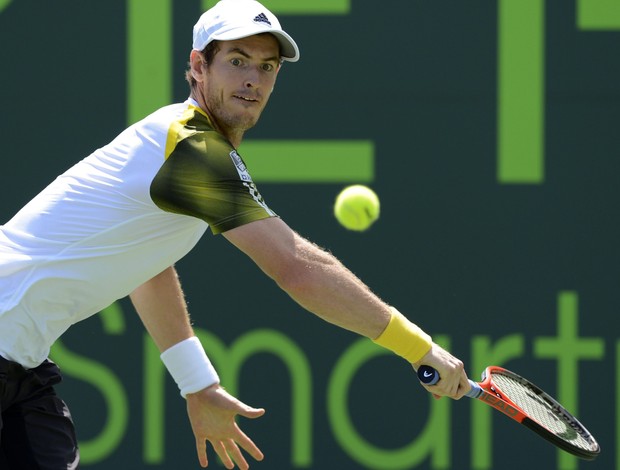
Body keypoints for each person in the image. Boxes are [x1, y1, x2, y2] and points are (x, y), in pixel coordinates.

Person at [0, 0, 471, 468]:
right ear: (198, 66)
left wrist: (198, 385)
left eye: (267, 67)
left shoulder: (182, 143)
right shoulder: (192, 148)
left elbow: (144, 268)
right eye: (237, 61)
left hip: (22, 367)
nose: (253, 80)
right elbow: (298, 268)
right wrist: (418, 348)